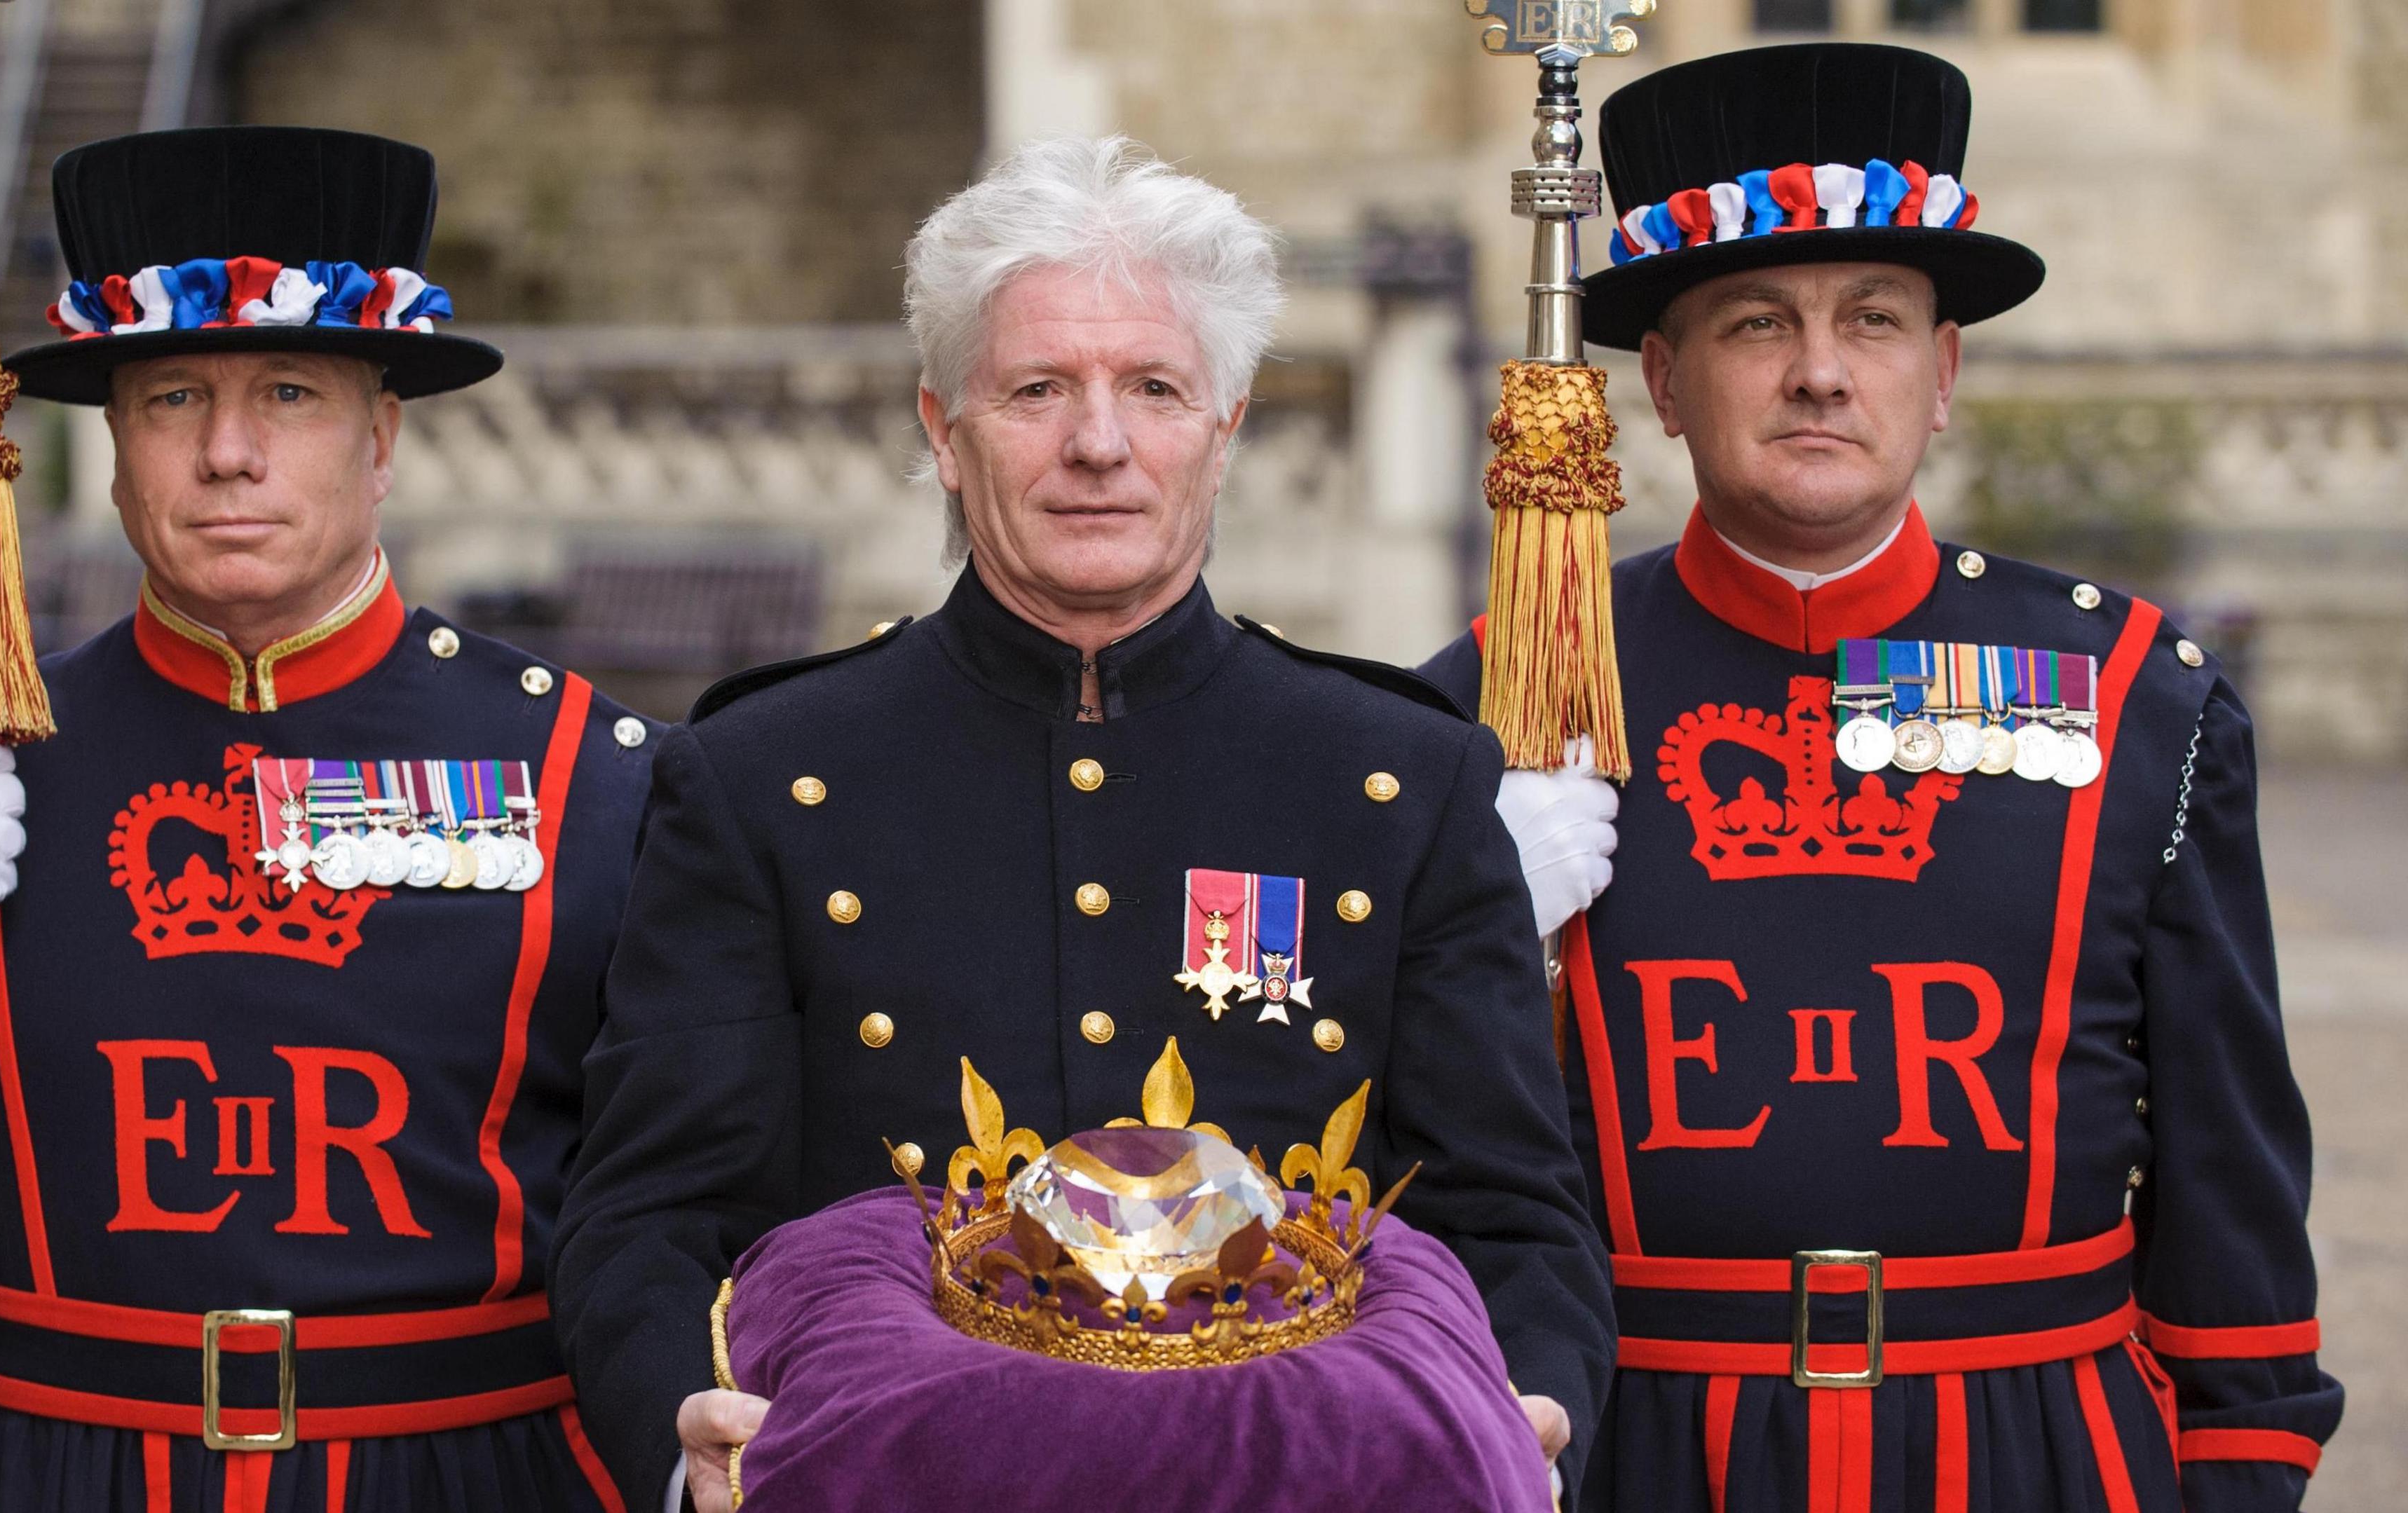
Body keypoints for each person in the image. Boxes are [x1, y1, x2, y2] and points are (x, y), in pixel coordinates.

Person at [550, 135, 1616, 1513]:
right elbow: (647, 1214)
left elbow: (1513, 1218)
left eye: (1154, 389)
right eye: (1039, 389)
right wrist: (683, 1436)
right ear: (944, 428)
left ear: (1226, 425)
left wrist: (1532, 1417)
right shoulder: (763, 776)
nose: (1098, 444)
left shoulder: (1400, 781)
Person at [1420, 43, 2341, 1512]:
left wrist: (2239, 1463)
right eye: (1755, 323)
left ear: (1945, 370)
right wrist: (1458, 918)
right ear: (1659, 379)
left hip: (2034, 1445)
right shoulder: (1494, 703)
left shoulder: (2134, 696)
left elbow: (2227, 1161)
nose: (1821, 370)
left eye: (1876, 319)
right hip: (1632, 1446)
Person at [0, 128, 659, 1510]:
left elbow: (696, 1231)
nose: (228, 453)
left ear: (381, 438)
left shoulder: (593, 774)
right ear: (111, 449)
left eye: (288, 391)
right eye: (172, 398)